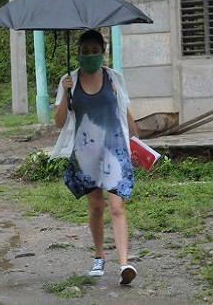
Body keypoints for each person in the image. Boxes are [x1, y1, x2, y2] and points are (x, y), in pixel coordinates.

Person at [53, 29, 140, 285]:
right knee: (95, 207)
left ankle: (124, 264)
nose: (90, 55)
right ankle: (99, 257)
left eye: (95, 51)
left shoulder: (114, 78)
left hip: (114, 150)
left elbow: (126, 112)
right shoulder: (68, 81)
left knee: (117, 207)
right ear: (79, 53)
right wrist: (65, 95)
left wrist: (135, 143)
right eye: (85, 51)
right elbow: (59, 123)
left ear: (102, 53)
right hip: (86, 152)